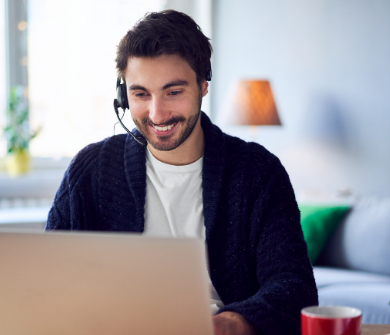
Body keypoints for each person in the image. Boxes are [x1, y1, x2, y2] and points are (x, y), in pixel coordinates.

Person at [46, 10, 318, 335]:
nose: (157, 113)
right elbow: (50, 280)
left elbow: (294, 287)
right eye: (140, 94)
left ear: (204, 85)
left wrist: (231, 323)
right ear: (123, 96)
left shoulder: (258, 172)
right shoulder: (89, 170)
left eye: (173, 92)